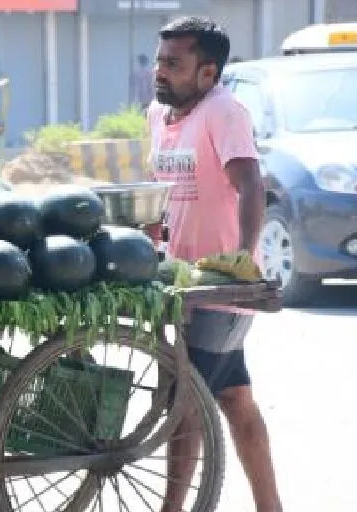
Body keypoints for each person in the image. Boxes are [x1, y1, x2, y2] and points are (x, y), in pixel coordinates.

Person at [145, 16, 283, 512]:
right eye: (159, 61)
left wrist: (243, 258)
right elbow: (163, 196)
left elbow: (249, 183)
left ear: (207, 73)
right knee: (234, 399)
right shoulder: (158, 116)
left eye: (173, 64)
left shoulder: (224, 112)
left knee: (188, 404)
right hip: (182, 286)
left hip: (220, 289)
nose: (160, 72)